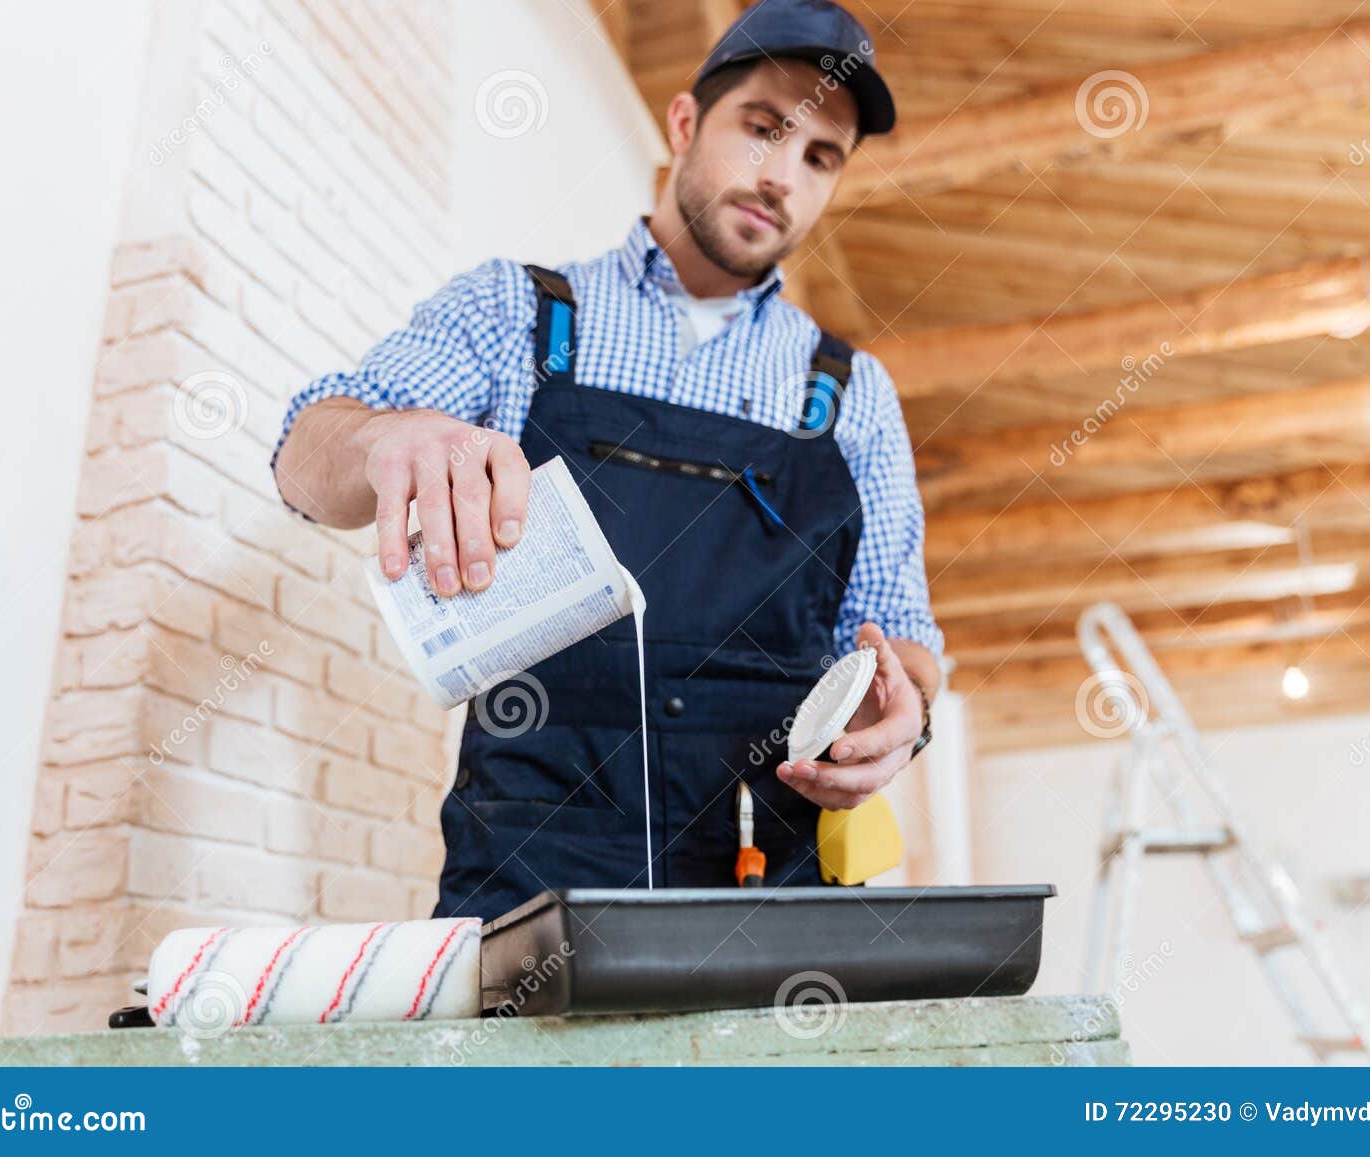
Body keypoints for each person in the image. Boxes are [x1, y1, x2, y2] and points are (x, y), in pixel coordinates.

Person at [272, 0, 944, 921]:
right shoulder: (520, 316)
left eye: (820, 155)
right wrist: (388, 439)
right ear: (682, 123)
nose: (783, 175)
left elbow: (897, 628)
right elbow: (305, 460)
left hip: (771, 890)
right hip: (530, 884)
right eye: (764, 128)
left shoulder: (850, 392)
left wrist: (903, 707)